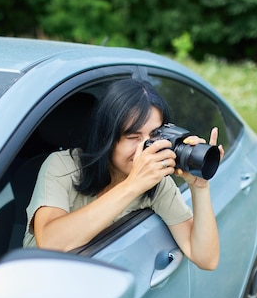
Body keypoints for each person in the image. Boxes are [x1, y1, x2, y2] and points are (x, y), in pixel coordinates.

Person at [22, 79, 224, 270]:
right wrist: (133, 185)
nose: (146, 148)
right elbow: (50, 242)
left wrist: (200, 188)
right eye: (133, 137)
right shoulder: (63, 166)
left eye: (155, 135)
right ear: (106, 138)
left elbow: (206, 259)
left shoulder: (157, 183)